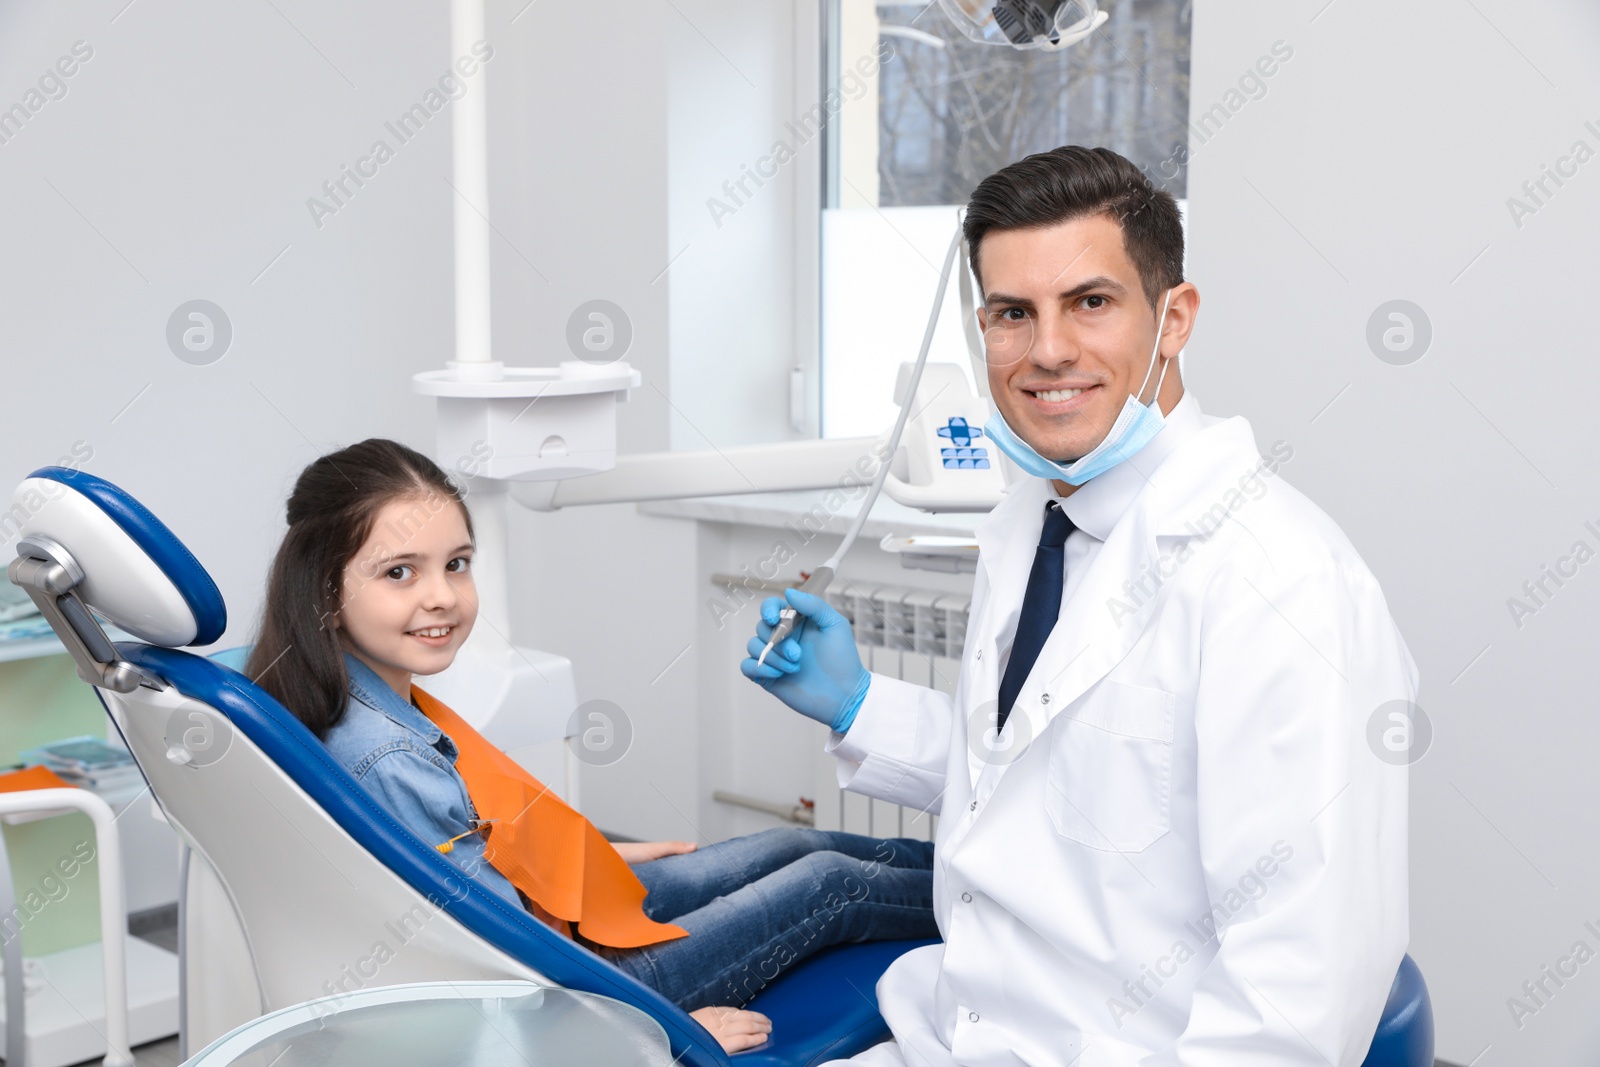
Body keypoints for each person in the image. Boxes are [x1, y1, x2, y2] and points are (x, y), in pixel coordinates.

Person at [742, 146, 1417, 1066]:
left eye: (1090, 302)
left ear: (1174, 318)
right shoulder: (1034, 517)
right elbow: (1042, 787)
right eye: (1013, 314)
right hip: (952, 1027)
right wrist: (861, 704)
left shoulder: (1279, 582)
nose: (1047, 350)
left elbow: (1295, 997)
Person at [244, 438, 939, 1054]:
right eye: (400, 572)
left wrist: (587, 856)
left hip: (550, 918)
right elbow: (500, 954)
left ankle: (995, 865)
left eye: (456, 563)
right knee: (832, 886)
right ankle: (1010, 901)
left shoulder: (350, 687)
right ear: (325, 588)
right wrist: (659, 1028)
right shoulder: (387, 754)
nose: (442, 596)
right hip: (584, 991)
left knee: (800, 848)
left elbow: (472, 844)